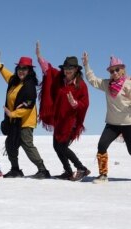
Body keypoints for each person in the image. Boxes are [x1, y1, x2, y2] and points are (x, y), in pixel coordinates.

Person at [83, 52, 131, 183]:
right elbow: (92, 80)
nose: (115, 72)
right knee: (101, 145)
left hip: (129, 123)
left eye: (117, 70)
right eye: (112, 71)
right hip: (112, 123)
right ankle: (103, 175)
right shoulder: (107, 85)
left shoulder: (130, 85)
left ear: (123, 70)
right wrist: (86, 65)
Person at [36, 41, 91, 181]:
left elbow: (85, 104)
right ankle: (67, 171)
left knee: (62, 147)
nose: (67, 71)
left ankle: (82, 168)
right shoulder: (60, 79)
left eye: (70, 68)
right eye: (66, 68)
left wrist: (75, 104)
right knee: (56, 146)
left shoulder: (81, 86)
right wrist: (39, 57)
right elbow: (48, 71)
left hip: (71, 121)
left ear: (76, 70)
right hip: (60, 120)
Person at [0, 52, 51, 179]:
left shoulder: (29, 86)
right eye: (19, 68)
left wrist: (12, 113)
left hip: (25, 121)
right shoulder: (14, 81)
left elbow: (27, 107)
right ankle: (15, 170)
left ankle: (43, 170)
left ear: (29, 70)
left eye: (24, 68)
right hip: (14, 121)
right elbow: (7, 75)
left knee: (27, 144)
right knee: (10, 144)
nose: (21, 71)